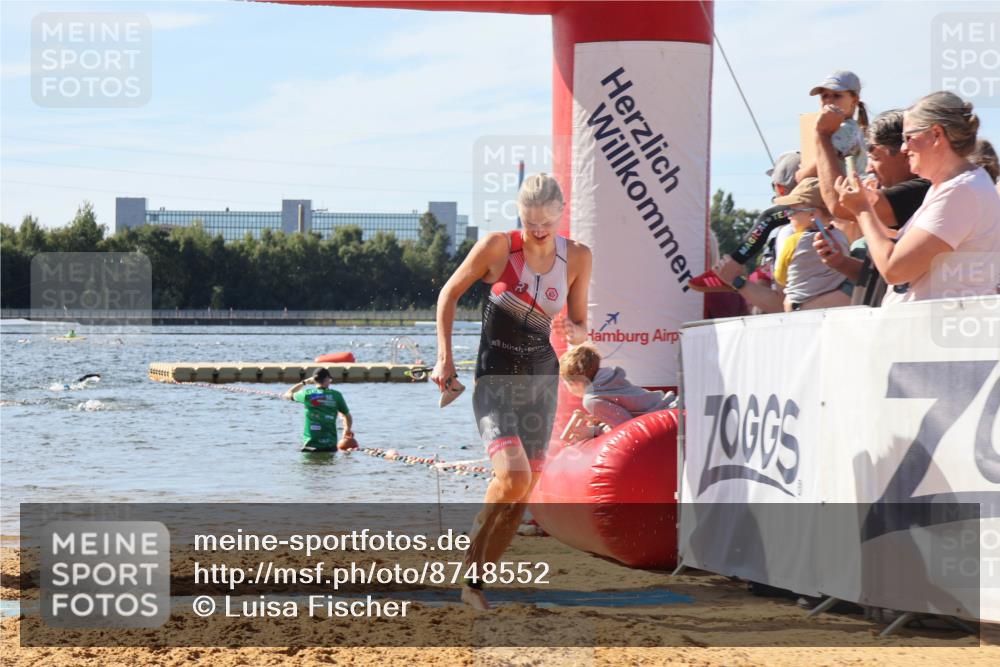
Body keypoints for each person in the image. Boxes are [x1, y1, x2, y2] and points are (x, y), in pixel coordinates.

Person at [431, 173, 591, 611]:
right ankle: (470, 563)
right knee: (514, 478)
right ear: (520, 213)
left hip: (541, 384)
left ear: (560, 213)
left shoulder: (576, 257)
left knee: (523, 490)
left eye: (546, 222)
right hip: (494, 380)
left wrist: (575, 330)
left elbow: (580, 323)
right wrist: (444, 358)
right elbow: (448, 295)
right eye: (530, 220)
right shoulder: (499, 247)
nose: (538, 230)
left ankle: (474, 583)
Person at [836, 91, 1000, 304]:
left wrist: (863, 210)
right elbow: (908, 247)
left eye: (909, 138)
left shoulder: (962, 192)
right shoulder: (952, 187)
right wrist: (867, 208)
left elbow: (895, 270)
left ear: (936, 135)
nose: (904, 148)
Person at [813, 109, 931, 305]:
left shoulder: (920, 190)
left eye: (875, 157)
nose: (868, 168)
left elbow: (839, 205)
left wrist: (822, 135)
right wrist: (841, 262)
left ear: (904, 152)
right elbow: (882, 275)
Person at [559, 344, 674, 439]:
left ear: (575, 383)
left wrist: (593, 431)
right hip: (672, 408)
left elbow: (626, 427)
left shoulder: (591, 399)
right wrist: (603, 419)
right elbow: (627, 409)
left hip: (667, 420)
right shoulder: (608, 378)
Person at [283, 368, 354, 452]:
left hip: (310, 446)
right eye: (330, 379)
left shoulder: (307, 394)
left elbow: (287, 395)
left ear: (314, 380)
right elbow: (347, 416)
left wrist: (304, 382)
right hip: (330, 446)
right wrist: (347, 430)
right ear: (327, 379)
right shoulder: (336, 395)